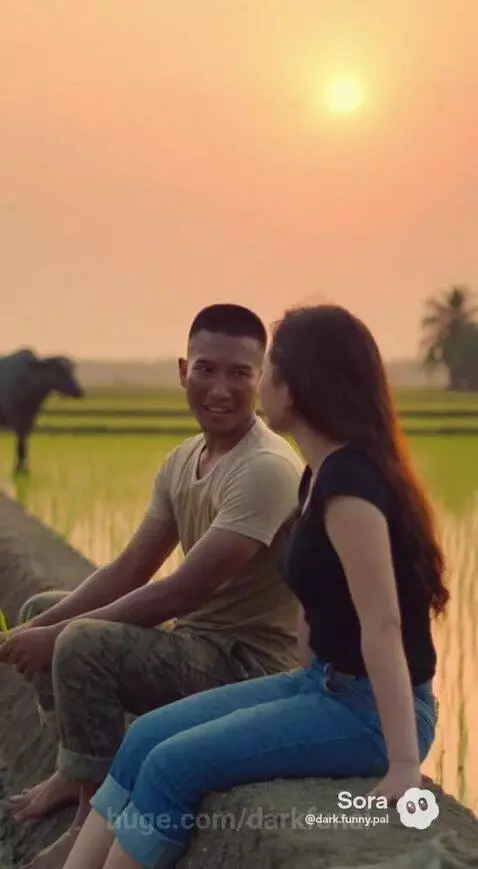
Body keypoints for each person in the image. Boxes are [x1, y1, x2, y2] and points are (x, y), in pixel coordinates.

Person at [60, 303, 448, 869]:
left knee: (174, 765)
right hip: (322, 685)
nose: (254, 386)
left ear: (297, 387)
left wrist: (403, 766)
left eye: (265, 373)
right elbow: (317, 601)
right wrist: (302, 679)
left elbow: (384, 624)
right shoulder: (318, 474)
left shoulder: (352, 488)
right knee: (145, 737)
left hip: (372, 714)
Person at [0, 303, 304, 868]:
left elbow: (181, 590)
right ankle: (75, 769)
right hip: (196, 644)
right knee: (45, 607)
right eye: (206, 369)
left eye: (240, 374)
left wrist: (56, 635)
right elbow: (128, 569)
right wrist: (33, 628)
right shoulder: (184, 459)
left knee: (82, 643)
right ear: (182, 370)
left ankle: (91, 816)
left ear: (260, 380)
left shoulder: (265, 467)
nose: (220, 388)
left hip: (246, 667)